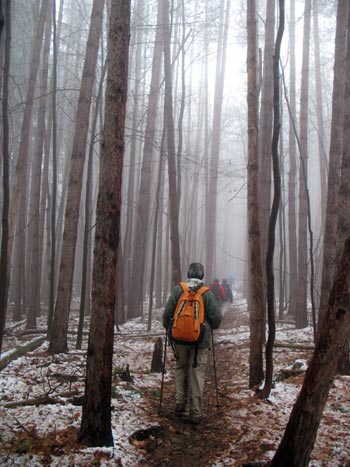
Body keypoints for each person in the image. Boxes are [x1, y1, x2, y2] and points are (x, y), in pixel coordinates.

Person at [163, 262, 222, 424]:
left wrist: (170, 327)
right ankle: (195, 411)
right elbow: (216, 320)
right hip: (200, 341)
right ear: (202, 275)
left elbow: (167, 314)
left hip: (179, 339)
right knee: (197, 373)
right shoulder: (206, 293)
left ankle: (180, 404)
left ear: (188, 274)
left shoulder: (179, 290)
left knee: (181, 368)